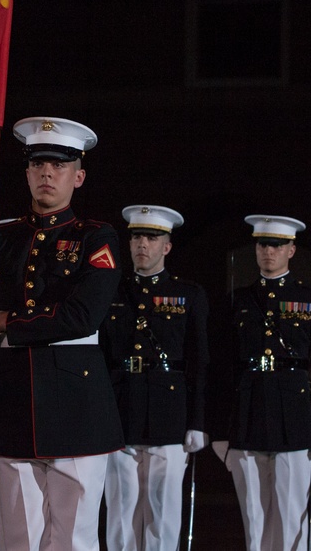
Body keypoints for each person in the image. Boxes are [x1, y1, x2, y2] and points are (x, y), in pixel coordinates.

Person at [0, 116, 123, 550]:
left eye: (60, 164)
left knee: (73, 539)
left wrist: (5, 321)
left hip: (76, 412)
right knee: (17, 538)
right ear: (27, 171)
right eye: (39, 163)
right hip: (11, 408)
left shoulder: (96, 239)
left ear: (78, 176)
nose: (48, 173)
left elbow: (82, 316)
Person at [210, 215, 311, 551]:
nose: (269, 251)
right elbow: (222, 369)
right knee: (254, 517)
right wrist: (220, 429)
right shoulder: (238, 300)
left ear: (291, 250)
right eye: (263, 244)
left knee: (292, 514)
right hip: (248, 416)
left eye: (278, 245)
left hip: (293, 418)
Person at [102, 205, 209, 551]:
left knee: (162, 514)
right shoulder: (111, 291)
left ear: (167, 246)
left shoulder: (188, 295)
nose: (142, 244)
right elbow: (101, 357)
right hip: (121, 408)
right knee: (120, 511)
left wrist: (197, 421)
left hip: (169, 411)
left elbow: (199, 361)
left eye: (151, 237)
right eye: (136, 236)